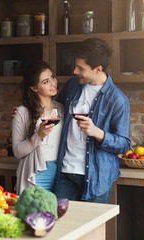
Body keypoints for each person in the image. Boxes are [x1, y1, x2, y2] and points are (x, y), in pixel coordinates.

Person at [53, 38, 131, 203]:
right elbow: (55, 111)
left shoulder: (118, 100)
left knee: (92, 228)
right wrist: (28, 113)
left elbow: (124, 144)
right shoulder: (72, 85)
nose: (75, 71)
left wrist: (98, 133)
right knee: (59, 225)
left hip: (97, 178)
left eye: (80, 68)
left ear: (98, 69)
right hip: (66, 173)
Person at [12, 60, 64, 195]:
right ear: (34, 88)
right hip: (36, 175)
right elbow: (17, 151)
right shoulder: (23, 112)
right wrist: (39, 136)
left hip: (61, 174)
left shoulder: (62, 109)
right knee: (34, 214)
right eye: (45, 82)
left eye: (52, 77)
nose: (53, 83)